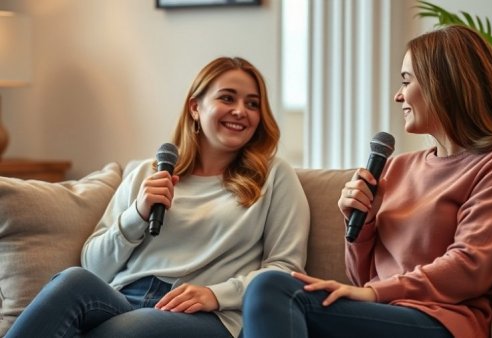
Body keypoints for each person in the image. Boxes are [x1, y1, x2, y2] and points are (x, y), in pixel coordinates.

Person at [241, 25, 492, 338]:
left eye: (406, 81)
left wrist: (375, 293)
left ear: (444, 84)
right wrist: (363, 225)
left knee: (272, 288)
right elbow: (363, 280)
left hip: (442, 321)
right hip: (385, 312)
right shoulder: (397, 167)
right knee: (267, 300)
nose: (398, 95)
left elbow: (469, 267)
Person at [5, 57, 310, 338]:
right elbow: (93, 267)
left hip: (203, 313)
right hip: (123, 297)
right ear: (195, 107)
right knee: (72, 281)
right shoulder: (146, 173)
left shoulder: (273, 176)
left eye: (253, 104)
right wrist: (136, 214)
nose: (240, 111)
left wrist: (216, 294)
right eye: (227, 97)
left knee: (130, 330)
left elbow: (286, 268)